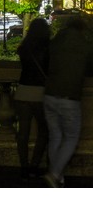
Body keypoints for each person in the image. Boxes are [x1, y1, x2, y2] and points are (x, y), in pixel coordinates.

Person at [43, 15, 93, 187]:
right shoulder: (85, 46)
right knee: (71, 137)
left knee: (55, 135)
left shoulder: (56, 42)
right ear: (82, 29)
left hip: (49, 95)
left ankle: (58, 176)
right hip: (70, 97)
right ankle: (54, 173)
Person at [13, 17, 50, 180]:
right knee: (43, 131)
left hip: (22, 91)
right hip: (39, 93)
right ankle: (34, 165)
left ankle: (23, 167)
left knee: (23, 132)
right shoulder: (48, 48)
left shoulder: (24, 48)